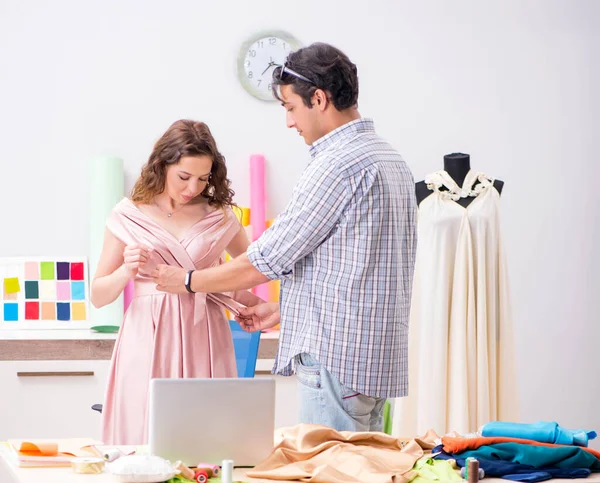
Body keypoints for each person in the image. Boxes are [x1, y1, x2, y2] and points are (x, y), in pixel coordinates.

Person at [152, 43, 417, 432]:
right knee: (363, 468)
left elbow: (267, 260)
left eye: (291, 108)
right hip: (373, 361)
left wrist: (188, 281)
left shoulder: (336, 165)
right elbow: (360, 268)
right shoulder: (389, 159)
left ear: (319, 99)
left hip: (336, 362)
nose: (290, 122)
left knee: (328, 472)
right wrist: (286, 311)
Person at [92, 119, 260, 444]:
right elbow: (98, 296)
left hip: (205, 333)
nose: (192, 188)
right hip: (146, 335)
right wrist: (126, 271)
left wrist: (260, 305)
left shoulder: (220, 216)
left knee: (206, 436)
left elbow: (251, 269)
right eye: (184, 177)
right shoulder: (128, 214)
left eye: (202, 178)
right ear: (162, 164)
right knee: (143, 436)